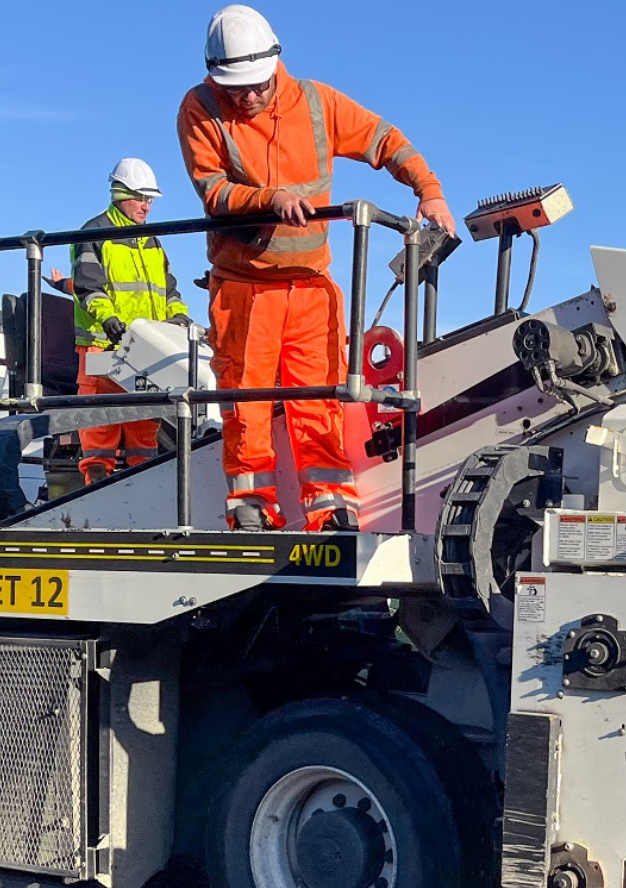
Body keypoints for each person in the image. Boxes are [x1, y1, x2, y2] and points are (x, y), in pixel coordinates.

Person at [178, 5, 455, 531]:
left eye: (257, 85)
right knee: (245, 406)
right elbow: (212, 190)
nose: (249, 96)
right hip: (243, 289)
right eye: (236, 88)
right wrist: (268, 198)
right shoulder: (199, 108)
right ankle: (252, 509)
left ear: (276, 64)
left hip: (310, 289)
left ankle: (330, 510)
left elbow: (385, 140)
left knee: (322, 403)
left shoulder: (316, 103)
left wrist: (429, 190)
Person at [69, 158, 193, 484]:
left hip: (145, 349)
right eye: (143, 198)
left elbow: (169, 288)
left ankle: (144, 485)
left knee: (145, 423)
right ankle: (96, 485)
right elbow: (88, 287)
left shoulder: (151, 240)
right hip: (102, 343)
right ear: (122, 194)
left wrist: (178, 315)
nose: (148, 207)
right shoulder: (94, 234)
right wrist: (108, 318)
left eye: (150, 200)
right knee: (100, 421)